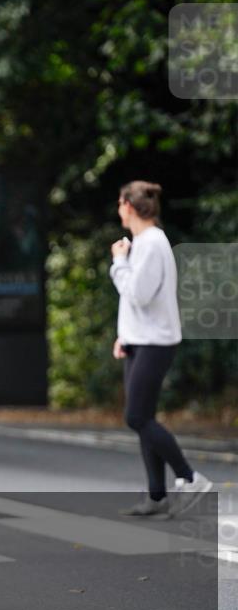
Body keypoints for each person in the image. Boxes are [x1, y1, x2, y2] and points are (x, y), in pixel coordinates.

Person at [110, 181, 212, 518]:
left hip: (156, 342)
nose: (118, 210)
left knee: (136, 417)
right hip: (140, 340)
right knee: (145, 418)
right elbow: (139, 302)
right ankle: (157, 496)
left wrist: (118, 263)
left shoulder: (152, 243)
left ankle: (190, 477)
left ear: (128, 205)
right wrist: (124, 335)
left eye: (120, 203)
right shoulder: (142, 243)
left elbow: (139, 294)